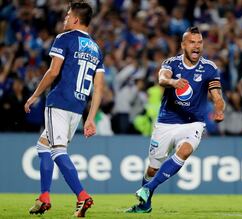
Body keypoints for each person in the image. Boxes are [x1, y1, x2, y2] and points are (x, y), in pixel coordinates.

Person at [125, 26, 225, 213]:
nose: (197, 46)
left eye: (200, 42)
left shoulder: (209, 68)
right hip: (166, 122)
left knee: (185, 151)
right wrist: (173, 82)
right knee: (153, 169)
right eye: (192, 42)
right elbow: (162, 78)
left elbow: (217, 97)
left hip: (193, 123)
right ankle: (144, 205)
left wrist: (219, 110)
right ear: (183, 45)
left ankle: (148, 188)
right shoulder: (172, 63)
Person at [24, 2, 104, 217]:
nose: (65, 19)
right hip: (77, 108)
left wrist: (34, 95)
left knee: (58, 151)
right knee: (43, 146)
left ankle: (82, 196)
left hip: (58, 102)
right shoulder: (96, 48)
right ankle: (44, 197)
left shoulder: (64, 39)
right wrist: (91, 118)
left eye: (68, 15)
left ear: (76, 19)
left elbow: (52, 72)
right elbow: (99, 88)